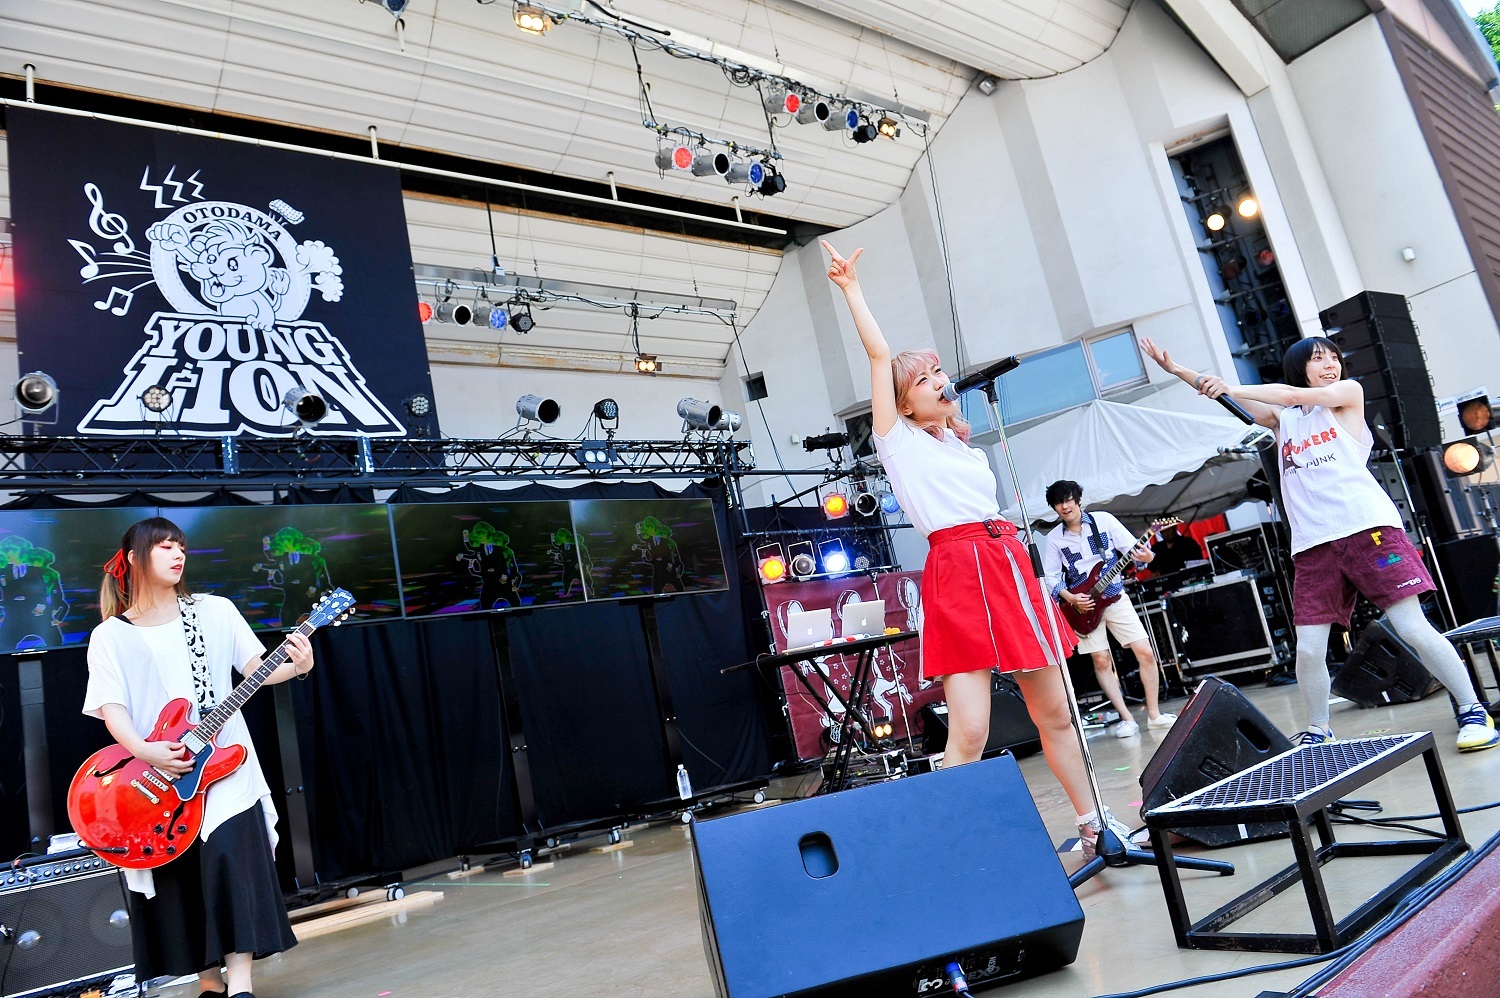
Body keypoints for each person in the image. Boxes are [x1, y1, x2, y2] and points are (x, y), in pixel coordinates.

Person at [822, 240, 1135, 855]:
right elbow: (880, 353)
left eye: (939, 373)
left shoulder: (962, 447)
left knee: (1056, 714)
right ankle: (939, 845)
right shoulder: (897, 442)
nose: (939, 382)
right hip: (960, 568)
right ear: (904, 400)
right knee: (968, 729)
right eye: (925, 379)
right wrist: (852, 289)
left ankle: (1094, 825)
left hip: (1007, 561)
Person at [1142, 336, 1497, 752]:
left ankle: (1473, 709)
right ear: (1300, 366)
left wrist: (1232, 386)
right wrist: (1180, 372)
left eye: (1333, 357)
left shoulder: (1347, 394)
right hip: (1313, 544)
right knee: (1309, 650)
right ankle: (1318, 732)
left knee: (1411, 627)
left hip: (1369, 529)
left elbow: (1284, 392)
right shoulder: (1283, 418)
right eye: (1318, 359)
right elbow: (1243, 399)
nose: (1330, 364)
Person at [82, 517, 311, 998]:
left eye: (180, 546)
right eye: (164, 546)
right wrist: (146, 750)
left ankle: (241, 987)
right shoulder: (111, 635)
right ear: (134, 558)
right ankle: (208, 982)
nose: (176, 554)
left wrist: (298, 666)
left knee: (233, 865)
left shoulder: (214, 610)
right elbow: (111, 708)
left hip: (228, 767)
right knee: (183, 877)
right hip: (158, 776)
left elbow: (255, 669)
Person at [1041, 481, 1177, 738]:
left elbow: (1133, 550)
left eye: (1069, 499)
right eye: (1059, 503)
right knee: (1101, 660)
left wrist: (1147, 557)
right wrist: (1071, 598)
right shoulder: (1054, 539)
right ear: (1054, 508)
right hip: (1082, 606)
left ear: (1079, 500)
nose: (1065, 506)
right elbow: (1050, 577)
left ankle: (1155, 715)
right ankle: (1127, 719)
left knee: (1145, 652)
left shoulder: (1104, 521)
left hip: (1114, 596)